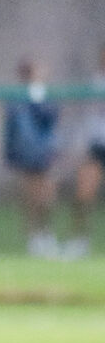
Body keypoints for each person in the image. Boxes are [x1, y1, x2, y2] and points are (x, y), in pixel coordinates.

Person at [2, 58, 61, 258]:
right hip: (26, 155)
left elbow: (50, 119)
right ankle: (33, 237)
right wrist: (11, 155)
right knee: (30, 198)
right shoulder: (16, 100)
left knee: (47, 196)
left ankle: (47, 234)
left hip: (44, 154)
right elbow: (11, 130)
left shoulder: (45, 96)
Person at [67, 45, 105, 260]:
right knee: (83, 193)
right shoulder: (95, 82)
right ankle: (79, 241)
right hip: (98, 145)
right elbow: (87, 117)